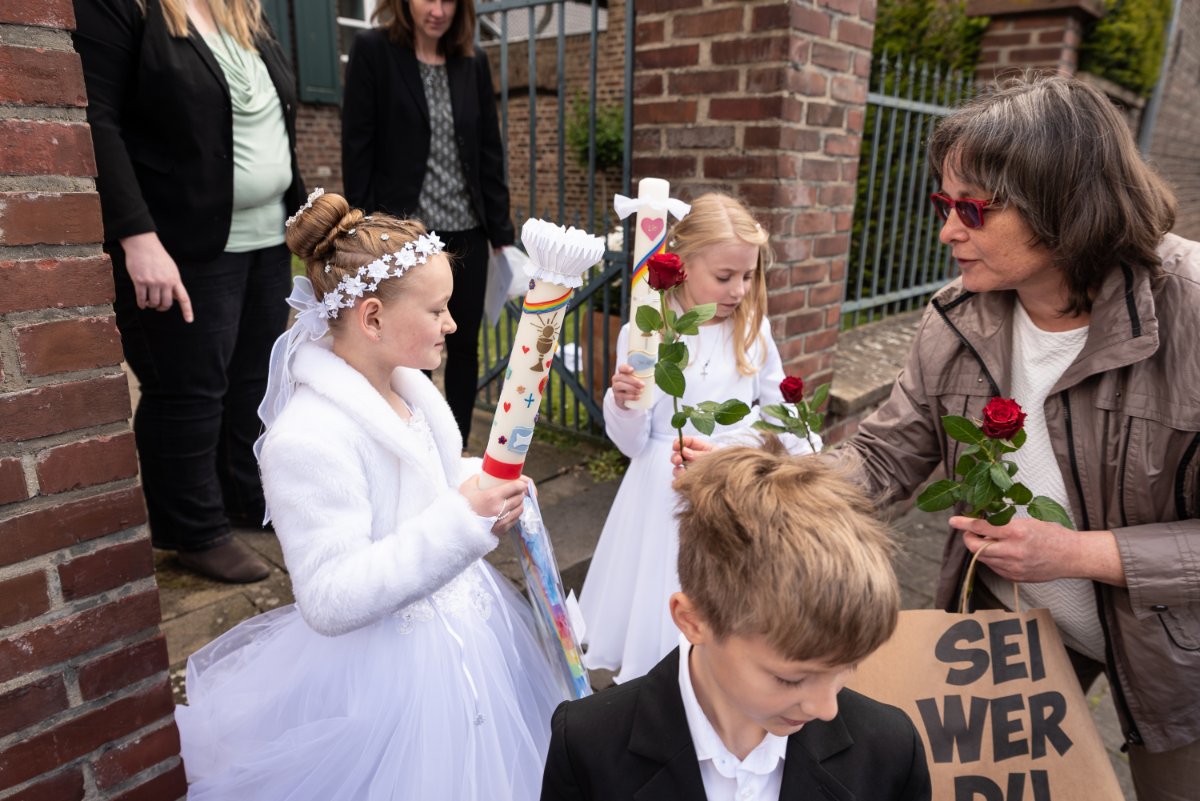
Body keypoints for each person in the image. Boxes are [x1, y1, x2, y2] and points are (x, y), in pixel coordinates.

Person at [675, 75, 1200, 801]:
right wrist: (766, 476)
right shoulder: (958, 315)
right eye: (942, 205)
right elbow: (886, 455)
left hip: (1175, 657)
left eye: (973, 209)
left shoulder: (1190, 311)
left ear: (1065, 202)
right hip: (1011, 629)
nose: (949, 230)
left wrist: (1080, 554)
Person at [174, 192, 564, 801]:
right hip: (391, 665)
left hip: (464, 625)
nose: (452, 324)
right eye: (436, 310)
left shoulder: (403, 386)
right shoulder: (307, 439)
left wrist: (483, 483)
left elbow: (416, 479)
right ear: (373, 318)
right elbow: (329, 597)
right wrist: (463, 517)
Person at [541, 444, 931, 801]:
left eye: (847, 667)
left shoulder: (890, 751)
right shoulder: (587, 745)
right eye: (790, 679)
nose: (826, 708)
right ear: (694, 620)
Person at [73, 0, 306, 582]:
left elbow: (272, 121)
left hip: (266, 239)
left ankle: (244, 497)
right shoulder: (126, 8)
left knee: (251, 381)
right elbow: (96, 118)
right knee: (189, 391)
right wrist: (136, 236)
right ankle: (193, 532)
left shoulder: (244, 11)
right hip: (179, 242)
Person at [579, 193, 820, 684]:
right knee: (662, 589)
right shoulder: (648, 332)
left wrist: (808, 458)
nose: (739, 290)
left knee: (725, 598)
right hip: (660, 490)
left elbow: (779, 411)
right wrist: (623, 403)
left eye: (748, 276)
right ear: (683, 264)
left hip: (731, 487)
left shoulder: (753, 330)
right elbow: (631, 444)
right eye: (725, 276)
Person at [342, 0, 514, 448]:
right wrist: (365, 232)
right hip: (405, 238)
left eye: (448, 0)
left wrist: (501, 233)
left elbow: (489, 151)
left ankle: (454, 444)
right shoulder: (373, 51)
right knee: (405, 347)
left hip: (467, 230)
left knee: (464, 343)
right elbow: (357, 145)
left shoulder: (472, 63)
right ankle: (408, 442)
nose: (438, 10)